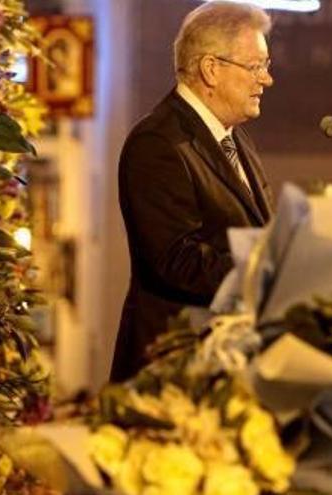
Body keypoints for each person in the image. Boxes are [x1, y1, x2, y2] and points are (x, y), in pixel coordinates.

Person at [111, 1, 275, 381]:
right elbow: (176, 261)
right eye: (256, 66)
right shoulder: (157, 143)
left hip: (226, 365)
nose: (266, 80)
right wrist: (267, 268)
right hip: (174, 370)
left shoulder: (237, 140)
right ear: (211, 69)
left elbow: (255, 231)